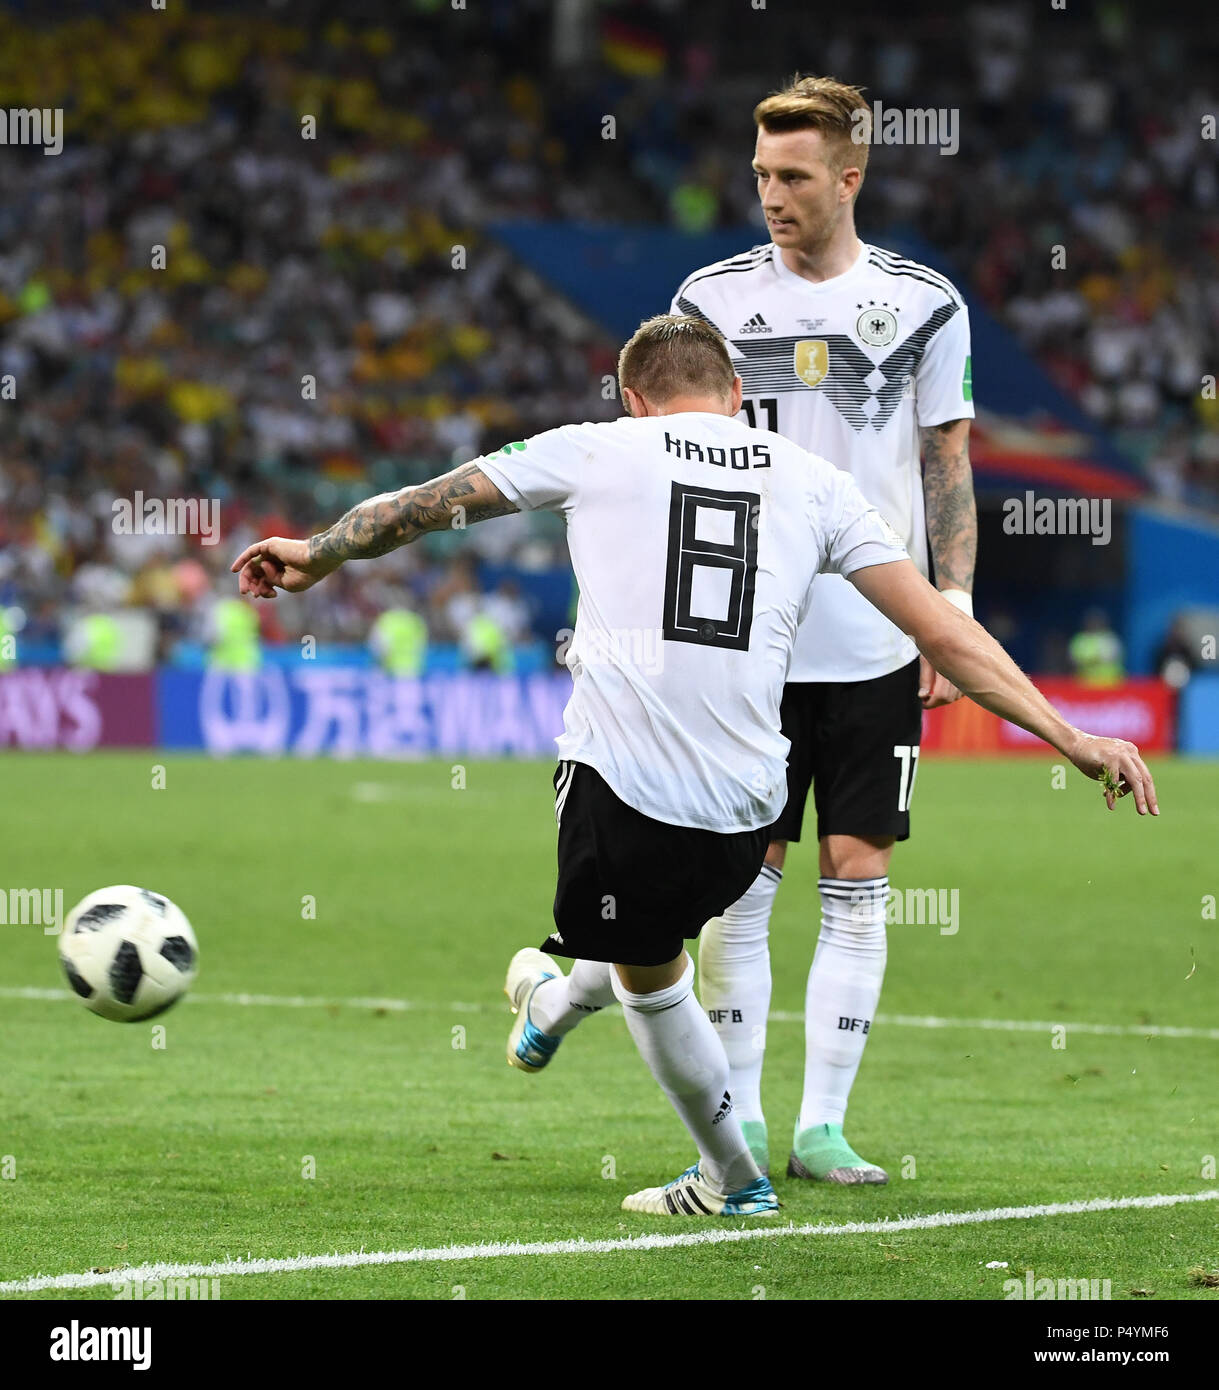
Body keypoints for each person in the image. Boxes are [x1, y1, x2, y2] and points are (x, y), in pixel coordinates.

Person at [232, 315, 1157, 1219]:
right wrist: (1071, 736)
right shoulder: (817, 483)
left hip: (626, 782)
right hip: (751, 805)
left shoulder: (594, 448)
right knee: (653, 921)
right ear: (739, 396)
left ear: (634, 401)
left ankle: (732, 1178)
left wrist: (313, 555)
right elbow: (941, 631)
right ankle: (551, 1002)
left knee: (644, 959)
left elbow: (416, 509)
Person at [661, 75, 979, 1182]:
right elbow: (667, 464)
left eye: (792, 176)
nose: (770, 195)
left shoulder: (926, 304)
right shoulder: (707, 300)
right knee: (742, 878)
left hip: (876, 641)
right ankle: (740, 1116)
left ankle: (821, 1126)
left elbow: (946, 462)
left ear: (850, 177)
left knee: (857, 873)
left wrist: (955, 616)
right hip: (744, 639)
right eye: (759, 175)